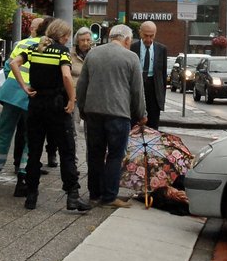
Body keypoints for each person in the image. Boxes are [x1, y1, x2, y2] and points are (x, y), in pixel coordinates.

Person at [19, 18, 87, 212]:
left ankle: (31, 195)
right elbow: (66, 75)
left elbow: (14, 62)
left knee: (34, 152)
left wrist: (24, 86)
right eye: (67, 36)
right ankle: (72, 195)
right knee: (67, 150)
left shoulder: (34, 49)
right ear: (63, 36)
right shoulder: (62, 51)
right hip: (57, 106)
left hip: (36, 105)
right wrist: (72, 99)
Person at [77, 23, 145, 207]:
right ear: (127, 39)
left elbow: (82, 84)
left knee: (95, 155)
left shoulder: (93, 54)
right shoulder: (131, 57)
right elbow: (137, 91)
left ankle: (94, 194)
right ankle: (109, 197)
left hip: (93, 113)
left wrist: (82, 108)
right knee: (115, 155)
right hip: (118, 114)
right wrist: (141, 114)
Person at [0, 18, 47, 193]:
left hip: (11, 93)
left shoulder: (21, 44)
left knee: (4, 134)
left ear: (33, 29)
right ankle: (22, 179)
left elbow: (7, 68)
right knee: (30, 138)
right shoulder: (47, 46)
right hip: (31, 95)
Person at [59, 26, 94, 168]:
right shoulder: (69, 55)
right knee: (73, 130)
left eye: (88, 40)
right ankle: (74, 161)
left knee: (91, 132)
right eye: (82, 40)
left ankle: (91, 163)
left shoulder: (95, 54)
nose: (85, 43)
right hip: (73, 96)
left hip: (90, 97)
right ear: (77, 41)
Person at [131, 21, 169, 130]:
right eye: (145, 35)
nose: (148, 39)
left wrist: (161, 98)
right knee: (134, 126)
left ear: (155, 34)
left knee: (153, 128)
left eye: (151, 36)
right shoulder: (132, 48)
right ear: (140, 33)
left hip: (154, 90)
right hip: (137, 87)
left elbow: (163, 75)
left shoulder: (161, 49)